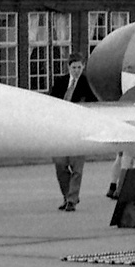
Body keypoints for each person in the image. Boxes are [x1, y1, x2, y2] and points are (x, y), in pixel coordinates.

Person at [49, 54, 97, 211]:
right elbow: (51, 104)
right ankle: (67, 195)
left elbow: (95, 105)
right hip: (60, 130)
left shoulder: (88, 84)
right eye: (73, 67)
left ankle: (72, 200)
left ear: (83, 67)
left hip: (78, 130)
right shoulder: (60, 82)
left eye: (79, 67)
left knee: (77, 168)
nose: (76, 71)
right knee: (60, 166)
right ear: (68, 67)